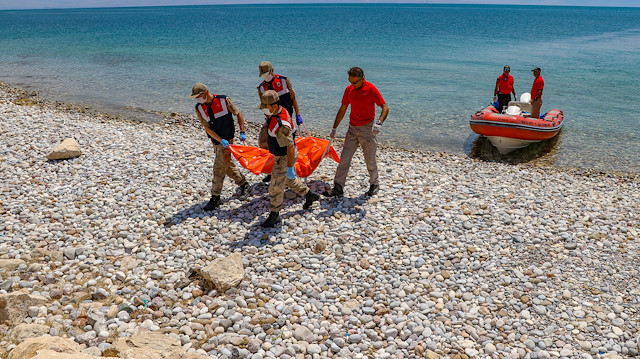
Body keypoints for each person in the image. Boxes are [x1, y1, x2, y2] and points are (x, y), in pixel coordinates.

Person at [323, 67, 389, 198]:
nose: (352, 85)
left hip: (367, 129)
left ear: (362, 79)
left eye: (355, 82)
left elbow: (385, 107)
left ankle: (374, 184)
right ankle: (338, 187)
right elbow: (342, 109)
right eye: (350, 82)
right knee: (344, 159)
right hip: (352, 129)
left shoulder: (371, 89)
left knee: (370, 159)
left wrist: (379, 123)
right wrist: (334, 128)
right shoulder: (349, 90)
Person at [260, 90, 320, 228]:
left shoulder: (282, 125)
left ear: (274, 106)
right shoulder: (279, 112)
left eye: (266, 107)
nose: (264, 110)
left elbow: (290, 146)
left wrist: (289, 167)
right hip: (281, 155)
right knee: (288, 180)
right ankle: (309, 195)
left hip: (284, 157)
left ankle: (274, 214)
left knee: (275, 187)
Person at [191, 83, 251, 211]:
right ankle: (244, 185)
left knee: (218, 170)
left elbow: (238, 113)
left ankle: (215, 198)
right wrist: (219, 140)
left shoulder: (224, 101)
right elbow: (207, 128)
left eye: (198, 96)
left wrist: (242, 131)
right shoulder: (199, 108)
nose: (197, 99)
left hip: (228, 141)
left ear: (205, 93)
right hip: (218, 142)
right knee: (227, 165)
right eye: (195, 97)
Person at [257, 61, 304, 183]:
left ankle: (290, 170)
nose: (265, 77)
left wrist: (298, 114)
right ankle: (271, 170)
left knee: (288, 145)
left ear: (272, 71)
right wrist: (267, 123)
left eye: (267, 74)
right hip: (271, 118)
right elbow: (264, 106)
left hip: (285, 119)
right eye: (263, 75)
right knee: (265, 143)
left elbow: (293, 98)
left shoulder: (283, 81)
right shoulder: (261, 88)